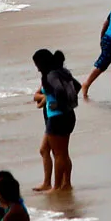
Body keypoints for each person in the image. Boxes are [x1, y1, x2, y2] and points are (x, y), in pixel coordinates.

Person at [33, 48, 78, 191]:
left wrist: (56, 104)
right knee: (57, 152)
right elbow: (76, 86)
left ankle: (57, 186)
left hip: (57, 117)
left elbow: (58, 90)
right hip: (67, 115)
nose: (37, 68)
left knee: (59, 154)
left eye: (37, 65)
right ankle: (64, 184)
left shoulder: (51, 76)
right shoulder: (62, 72)